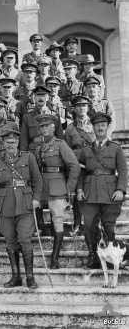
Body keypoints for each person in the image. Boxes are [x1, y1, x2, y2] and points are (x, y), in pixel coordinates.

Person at [0, 126, 42, 288]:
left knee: (25, 239)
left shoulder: (28, 157)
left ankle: (30, 277)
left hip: (25, 204)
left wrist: (36, 199)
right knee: (10, 241)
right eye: (7, 142)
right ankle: (15, 277)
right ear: (3, 143)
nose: (10, 145)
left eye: (13, 142)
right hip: (5, 206)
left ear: (18, 142)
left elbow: (38, 180)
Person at [77, 112, 128, 269]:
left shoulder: (116, 149)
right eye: (97, 125)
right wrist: (79, 189)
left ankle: (111, 257)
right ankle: (94, 256)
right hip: (90, 192)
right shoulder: (86, 150)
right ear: (93, 128)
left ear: (107, 127)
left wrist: (120, 190)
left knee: (108, 226)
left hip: (110, 193)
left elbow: (123, 171)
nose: (100, 127)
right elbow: (81, 171)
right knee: (89, 226)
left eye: (103, 125)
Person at [35, 115, 80, 268]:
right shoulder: (39, 147)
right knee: (35, 213)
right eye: (42, 126)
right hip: (42, 187)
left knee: (58, 221)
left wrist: (69, 188)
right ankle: (42, 229)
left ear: (54, 128)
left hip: (57, 186)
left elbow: (74, 166)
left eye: (47, 126)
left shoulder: (61, 144)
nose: (44, 129)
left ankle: (55, 259)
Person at [65, 95, 95, 236]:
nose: (81, 108)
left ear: (88, 108)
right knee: (78, 196)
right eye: (78, 106)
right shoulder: (70, 128)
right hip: (77, 166)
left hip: (93, 166)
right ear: (74, 109)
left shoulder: (95, 125)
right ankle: (77, 223)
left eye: (84, 105)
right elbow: (67, 149)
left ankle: (91, 224)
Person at [20, 85, 63, 152]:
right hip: (33, 152)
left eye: (43, 95)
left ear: (48, 97)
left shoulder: (55, 116)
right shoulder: (27, 117)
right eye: (38, 95)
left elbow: (60, 137)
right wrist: (23, 155)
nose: (40, 98)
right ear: (34, 98)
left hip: (51, 151)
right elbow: (24, 140)